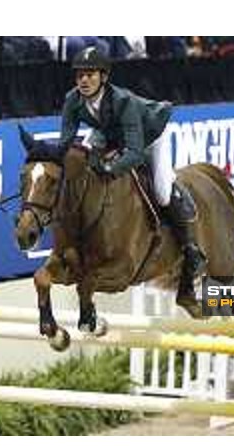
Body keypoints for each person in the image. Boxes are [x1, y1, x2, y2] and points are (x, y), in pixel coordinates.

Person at [30, 45, 207, 283]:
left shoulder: (123, 102)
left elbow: (134, 152)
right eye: (80, 75)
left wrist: (109, 169)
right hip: (108, 132)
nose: (84, 80)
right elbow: (65, 144)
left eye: (90, 75)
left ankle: (190, 249)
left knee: (163, 191)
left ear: (103, 77)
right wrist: (43, 151)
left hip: (149, 133)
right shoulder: (72, 99)